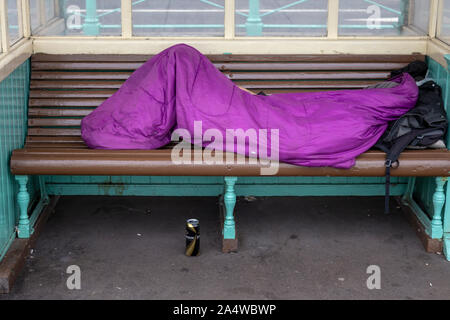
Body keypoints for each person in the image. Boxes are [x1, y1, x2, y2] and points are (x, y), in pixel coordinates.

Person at [81, 44, 419, 169]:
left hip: (258, 118)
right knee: (179, 56)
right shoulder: (359, 115)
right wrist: (233, 91)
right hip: (243, 109)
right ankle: (125, 125)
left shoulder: (358, 121)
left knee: (179, 55)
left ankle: (124, 125)